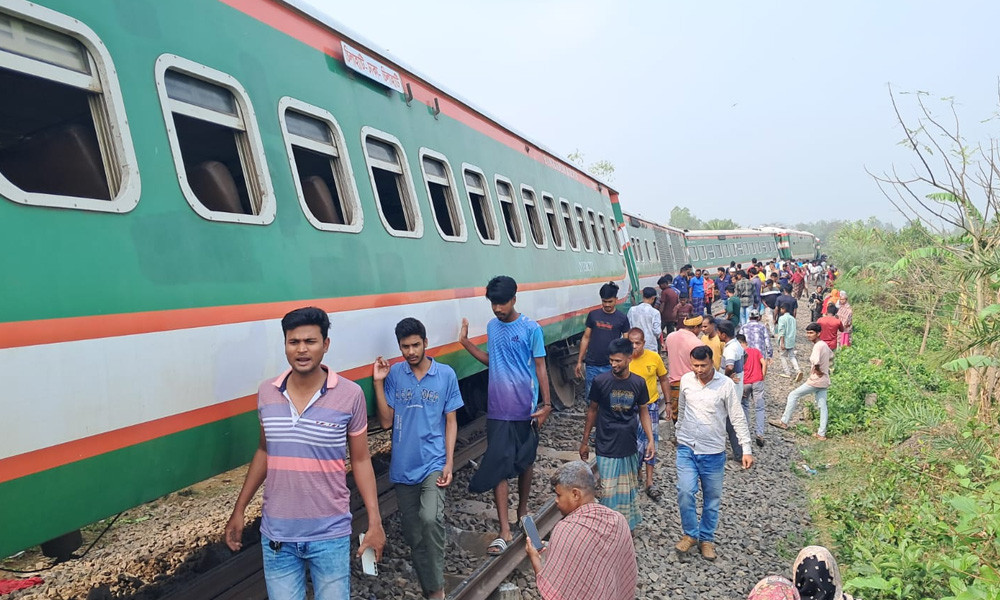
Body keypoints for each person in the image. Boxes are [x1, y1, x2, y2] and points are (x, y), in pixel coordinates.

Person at [225, 307, 385, 600]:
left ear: (326, 345)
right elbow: (264, 450)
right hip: (277, 537)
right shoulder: (266, 393)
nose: (301, 349)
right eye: (293, 341)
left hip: (330, 535)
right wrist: (239, 509)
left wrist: (375, 521)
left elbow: (361, 460)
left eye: (310, 341)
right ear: (285, 344)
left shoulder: (350, 395)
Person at [459, 276, 552, 555]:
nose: (497, 308)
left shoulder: (530, 329)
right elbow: (493, 359)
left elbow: (541, 367)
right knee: (499, 464)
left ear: (515, 298)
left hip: (525, 408)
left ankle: (523, 512)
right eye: (493, 303)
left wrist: (546, 404)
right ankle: (504, 530)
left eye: (502, 302)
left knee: (525, 461)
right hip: (498, 409)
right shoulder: (492, 326)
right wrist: (465, 343)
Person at [372, 318, 463, 599]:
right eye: (404, 347)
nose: (410, 351)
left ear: (425, 342)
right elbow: (386, 422)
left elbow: (451, 421)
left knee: (430, 519)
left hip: (433, 463)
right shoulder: (396, 375)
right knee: (414, 536)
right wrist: (378, 382)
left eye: (415, 345)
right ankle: (431, 590)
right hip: (403, 468)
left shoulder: (445, 374)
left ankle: (437, 592)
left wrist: (449, 462)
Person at [674, 345, 754, 561]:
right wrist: (678, 431)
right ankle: (690, 534)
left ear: (713, 363)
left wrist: (746, 448)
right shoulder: (686, 381)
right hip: (687, 447)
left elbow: (737, 417)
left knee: (711, 499)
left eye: (703, 365)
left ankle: (706, 539)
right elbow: (681, 409)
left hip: (713, 452)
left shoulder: (726, 385)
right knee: (685, 491)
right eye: (695, 365)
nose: (699, 370)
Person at [525, 461, 637, 600]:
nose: (556, 501)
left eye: (559, 495)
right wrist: (555, 550)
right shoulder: (619, 520)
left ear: (575, 494)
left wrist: (535, 559)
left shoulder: (565, 530)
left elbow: (553, 595)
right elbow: (624, 574)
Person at [580, 338, 655, 529]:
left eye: (618, 361)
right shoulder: (601, 381)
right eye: (611, 360)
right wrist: (585, 440)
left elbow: (644, 411)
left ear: (629, 359)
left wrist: (650, 439)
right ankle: (609, 528)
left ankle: (624, 527)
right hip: (605, 443)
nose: (613, 364)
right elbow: (592, 411)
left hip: (628, 443)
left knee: (628, 489)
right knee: (608, 489)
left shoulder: (638, 383)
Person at [626, 328, 670, 500]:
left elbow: (664, 379)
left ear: (644, 343)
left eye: (638, 343)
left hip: (650, 406)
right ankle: (637, 473)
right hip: (630, 408)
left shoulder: (654, 357)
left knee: (651, 444)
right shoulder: (625, 360)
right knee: (635, 444)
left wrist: (667, 403)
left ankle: (649, 480)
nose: (634, 346)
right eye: (631, 343)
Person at [770, 323, 832, 440]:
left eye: (811, 333)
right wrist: (826, 369)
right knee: (822, 406)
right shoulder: (824, 344)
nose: (808, 335)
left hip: (816, 380)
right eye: (807, 332)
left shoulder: (818, 346)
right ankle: (821, 433)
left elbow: (816, 361)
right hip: (824, 380)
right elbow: (831, 356)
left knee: (793, 395)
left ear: (818, 333)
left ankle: (784, 421)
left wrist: (818, 369)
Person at [575, 281, 630, 401]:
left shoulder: (622, 318)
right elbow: (586, 337)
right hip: (592, 365)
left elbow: (626, 342)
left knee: (611, 399)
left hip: (611, 365)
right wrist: (579, 361)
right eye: (604, 301)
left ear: (616, 299)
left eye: (610, 301)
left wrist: (624, 364)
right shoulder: (593, 315)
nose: (607, 304)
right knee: (592, 399)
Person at [665, 315, 707, 426]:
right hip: (691, 383)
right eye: (700, 328)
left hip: (674, 383)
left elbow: (668, 353)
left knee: (677, 415)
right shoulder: (697, 343)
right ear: (695, 327)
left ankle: (679, 437)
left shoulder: (670, 337)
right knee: (692, 415)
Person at [717, 320, 746, 463]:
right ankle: (738, 451)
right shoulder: (737, 345)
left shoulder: (729, 349)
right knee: (730, 421)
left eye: (718, 333)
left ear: (723, 334)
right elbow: (744, 357)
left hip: (730, 389)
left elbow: (729, 366)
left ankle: (739, 453)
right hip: (737, 386)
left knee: (729, 422)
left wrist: (724, 378)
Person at [739, 333, 767, 448]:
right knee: (759, 408)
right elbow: (764, 362)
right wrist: (763, 375)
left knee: (745, 406)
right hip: (757, 381)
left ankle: (745, 433)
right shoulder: (755, 351)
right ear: (746, 342)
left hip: (745, 383)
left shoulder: (739, 353)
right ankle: (760, 433)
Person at [627, 286, 662, 353]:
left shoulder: (632, 310)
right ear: (653, 298)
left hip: (635, 345)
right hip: (650, 345)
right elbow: (657, 332)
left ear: (643, 296)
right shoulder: (655, 313)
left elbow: (629, 327)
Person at [775, 305, 802, 382]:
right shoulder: (793, 319)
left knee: (782, 356)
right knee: (792, 356)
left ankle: (787, 372)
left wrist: (782, 342)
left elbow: (781, 331)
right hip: (791, 340)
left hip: (785, 340)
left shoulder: (782, 318)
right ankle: (798, 370)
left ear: (784, 309)